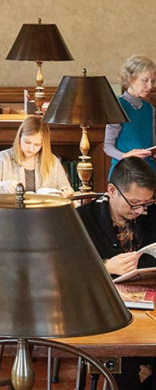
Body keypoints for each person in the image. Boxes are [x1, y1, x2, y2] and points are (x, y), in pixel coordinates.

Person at [77, 157, 156, 390]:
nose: (142, 211)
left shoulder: (151, 215)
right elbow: (63, 270)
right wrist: (105, 266)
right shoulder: (83, 218)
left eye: (147, 203)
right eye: (134, 204)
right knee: (123, 364)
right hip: (106, 312)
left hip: (149, 307)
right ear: (112, 190)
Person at [0, 115, 73, 196]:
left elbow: (67, 190)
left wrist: (67, 192)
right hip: (12, 214)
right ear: (20, 137)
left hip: (45, 214)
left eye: (37, 145)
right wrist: (6, 186)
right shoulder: (3, 158)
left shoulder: (52, 161)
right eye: (27, 142)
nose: (31, 149)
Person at [104, 55, 156, 175]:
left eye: (152, 81)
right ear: (131, 79)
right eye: (145, 80)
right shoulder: (117, 105)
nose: (150, 86)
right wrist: (125, 156)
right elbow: (107, 146)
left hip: (148, 170)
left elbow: (152, 143)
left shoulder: (149, 108)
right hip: (125, 171)